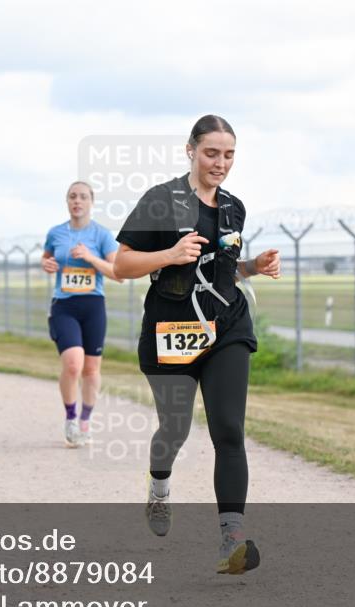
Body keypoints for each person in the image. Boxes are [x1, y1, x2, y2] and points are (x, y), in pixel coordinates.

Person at [113, 115, 281, 575]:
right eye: (212, 153)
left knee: (229, 430)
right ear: (190, 150)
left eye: (228, 155)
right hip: (171, 331)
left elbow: (218, 269)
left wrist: (252, 266)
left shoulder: (233, 207)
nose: (220, 163)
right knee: (175, 430)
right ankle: (159, 488)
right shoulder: (161, 201)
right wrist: (167, 255)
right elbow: (121, 265)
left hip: (227, 326)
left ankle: (232, 540)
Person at [41, 181, 121, 447]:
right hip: (64, 305)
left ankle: (85, 422)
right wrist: (47, 264)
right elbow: (47, 258)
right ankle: (70, 418)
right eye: (73, 196)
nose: (77, 201)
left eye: (83, 197)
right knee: (73, 363)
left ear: (91, 202)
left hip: (93, 305)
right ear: (67, 201)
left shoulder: (101, 235)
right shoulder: (56, 233)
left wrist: (90, 257)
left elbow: (117, 272)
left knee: (90, 369)